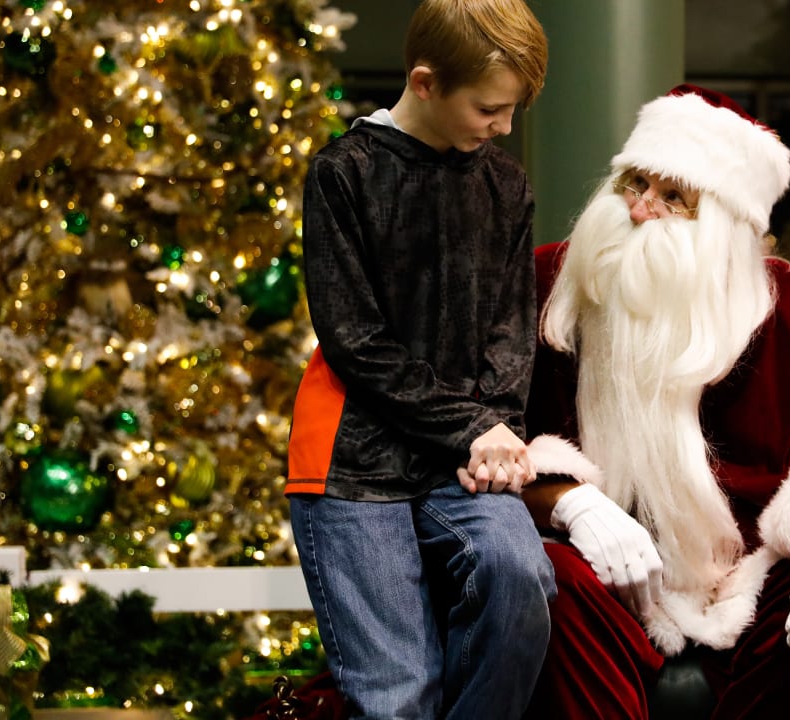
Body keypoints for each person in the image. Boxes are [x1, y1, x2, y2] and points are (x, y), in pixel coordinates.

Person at [516, 85, 790, 719]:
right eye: (633, 182)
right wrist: (568, 503)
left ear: (729, 229)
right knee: (548, 579)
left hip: (750, 576)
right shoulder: (551, 282)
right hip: (604, 576)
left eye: (674, 197)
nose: (640, 208)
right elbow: (497, 436)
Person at [283, 1, 554, 717]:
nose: (504, 126)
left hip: (461, 457)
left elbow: (509, 328)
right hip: (352, 459)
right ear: (427, 82)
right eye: (490, 108)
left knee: (519, 575)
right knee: (396, 695)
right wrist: (472, 427)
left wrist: (493, 433)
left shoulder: (506, 184)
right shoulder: (344, 173)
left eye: (513, 109)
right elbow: (354, 339)